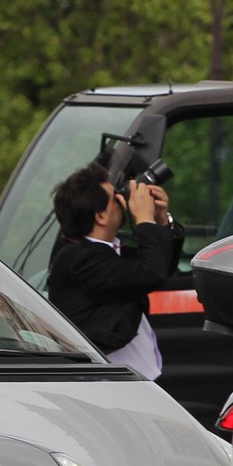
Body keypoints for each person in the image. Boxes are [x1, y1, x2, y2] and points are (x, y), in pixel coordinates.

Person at [47, 162, 182, 379]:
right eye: (115, 199)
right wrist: (144, 220)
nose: (123, 200)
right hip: (109, 384)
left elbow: (161, 267)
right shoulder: (81, 259)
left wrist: (161, 222)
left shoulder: (102, 252)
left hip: (133, 380)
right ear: (100, 216)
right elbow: (150, 274)